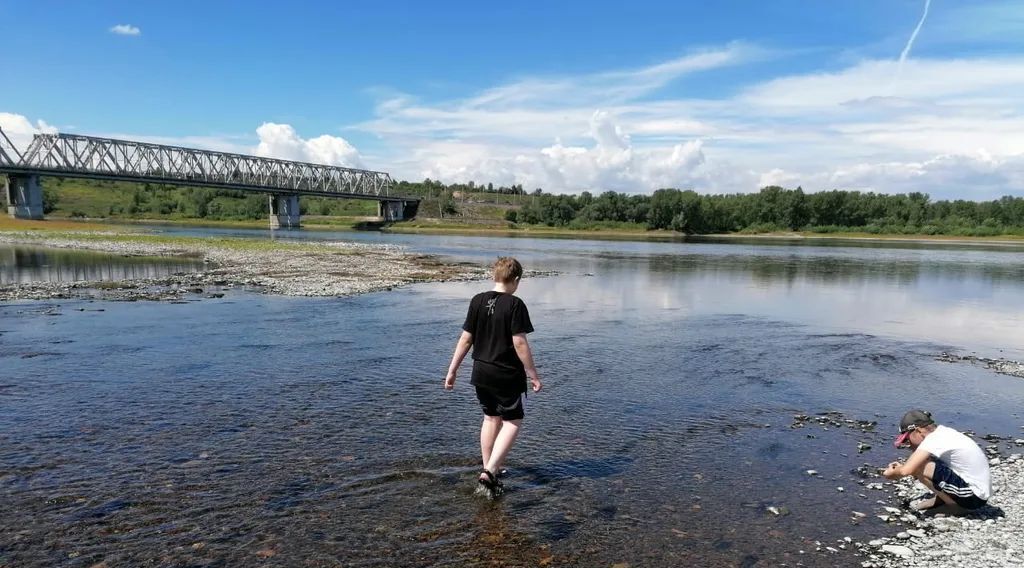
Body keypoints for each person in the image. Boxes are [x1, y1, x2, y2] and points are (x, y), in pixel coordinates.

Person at [444, 256, 542, 495]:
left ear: (493, 276)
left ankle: (489, 469)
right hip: (505, 373)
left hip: (480, 371)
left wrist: (452, 370)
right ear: (516, 279)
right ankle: (489, 472)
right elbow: (519, 343)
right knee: (513, 420)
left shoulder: (477, 300)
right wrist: (533, 374)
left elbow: (466, 339)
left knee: (490, 418)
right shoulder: (515, 304)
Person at [882, 409, 991, 512]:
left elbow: (905, 472)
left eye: (907, 439)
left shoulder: (932, 440)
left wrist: (889, 473)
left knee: (921, 465)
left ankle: (955, 507)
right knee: (927, 461)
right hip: (978, 492)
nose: (908, 444)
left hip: (974, 498)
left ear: (918, 431)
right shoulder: (943, 432)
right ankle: (946, 499)